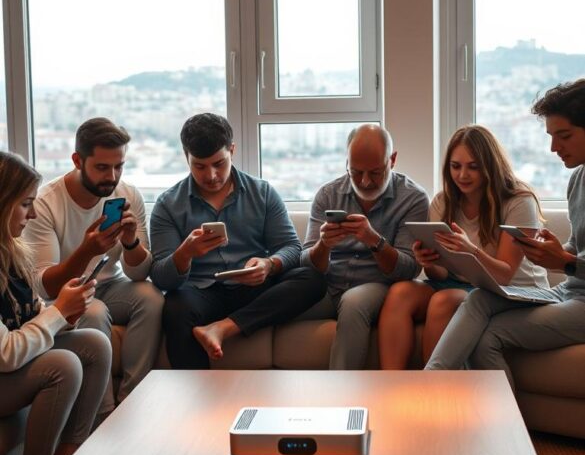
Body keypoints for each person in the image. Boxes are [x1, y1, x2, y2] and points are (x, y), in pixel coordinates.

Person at [425, 80, 585, 381]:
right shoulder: (578, 179)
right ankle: (431, 382)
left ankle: (430, 388)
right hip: (567, 291)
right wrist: (554, 252)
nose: (553, 148)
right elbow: (577, 249)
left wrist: (565, 262)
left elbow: (571, 262)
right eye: (551, 137)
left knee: (488, 336)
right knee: (478, 300)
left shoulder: (518, 198)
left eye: (564, 136)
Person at [149, 113, 326, 367]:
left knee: (312, 279)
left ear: (232, 150)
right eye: (200, 166)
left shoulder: (262, 192)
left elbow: (291, 248)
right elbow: (161, 277)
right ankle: (194, 389)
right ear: (186, 157)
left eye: (219, 164)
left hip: (253, 289)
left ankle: (223, 328)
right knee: (176, 308)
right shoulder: (168, 205)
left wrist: (268, 265)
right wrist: (184, 254)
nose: (211, 175)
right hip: (201, 293)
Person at [0, 152, 111, 455]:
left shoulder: (11, 250)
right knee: (62, 366)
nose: (31, 215)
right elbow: (6, 354)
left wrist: (64, 313)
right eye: (25, 204)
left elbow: (29, 315)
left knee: (95, 343)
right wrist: (58, 313)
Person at [23, 118, 163, 416]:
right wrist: (87, 251)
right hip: (63, 294)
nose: (111, 177)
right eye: (102, 167)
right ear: (77, 160)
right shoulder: (46, 204)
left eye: (119, 166)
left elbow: (139, 273)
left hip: (109, 284)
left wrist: (130, 243)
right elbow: (44, 286)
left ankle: (134, 398)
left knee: (151, 297)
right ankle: (103, 414)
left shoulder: (128, 194)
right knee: (93, 310)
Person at [377, 125, 548, 369]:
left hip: (512, 289)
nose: (462, 175)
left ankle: (435, 388)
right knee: (400, 293)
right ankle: (390, 383)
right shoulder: (443, 202)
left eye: (473, 167)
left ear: (490, 166)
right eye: (455, 166)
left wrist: (471, 250)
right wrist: (429, 262)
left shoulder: (518, 201)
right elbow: (441, 275)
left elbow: (504, 275)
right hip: (459, 283)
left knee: (444, 301)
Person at [299, 124, 429, 369]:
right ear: (346, 163)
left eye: (375, 173)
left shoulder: (413, 198)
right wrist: (324, 245)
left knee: (353, 302)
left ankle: (342, 389)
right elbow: (306, 263)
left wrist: (374, 241)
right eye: (356, 172)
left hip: (376, 285)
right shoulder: (328, 194)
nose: (365, 181)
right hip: (329, 283)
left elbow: (409, 269)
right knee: (282, 301)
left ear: (392, 160)